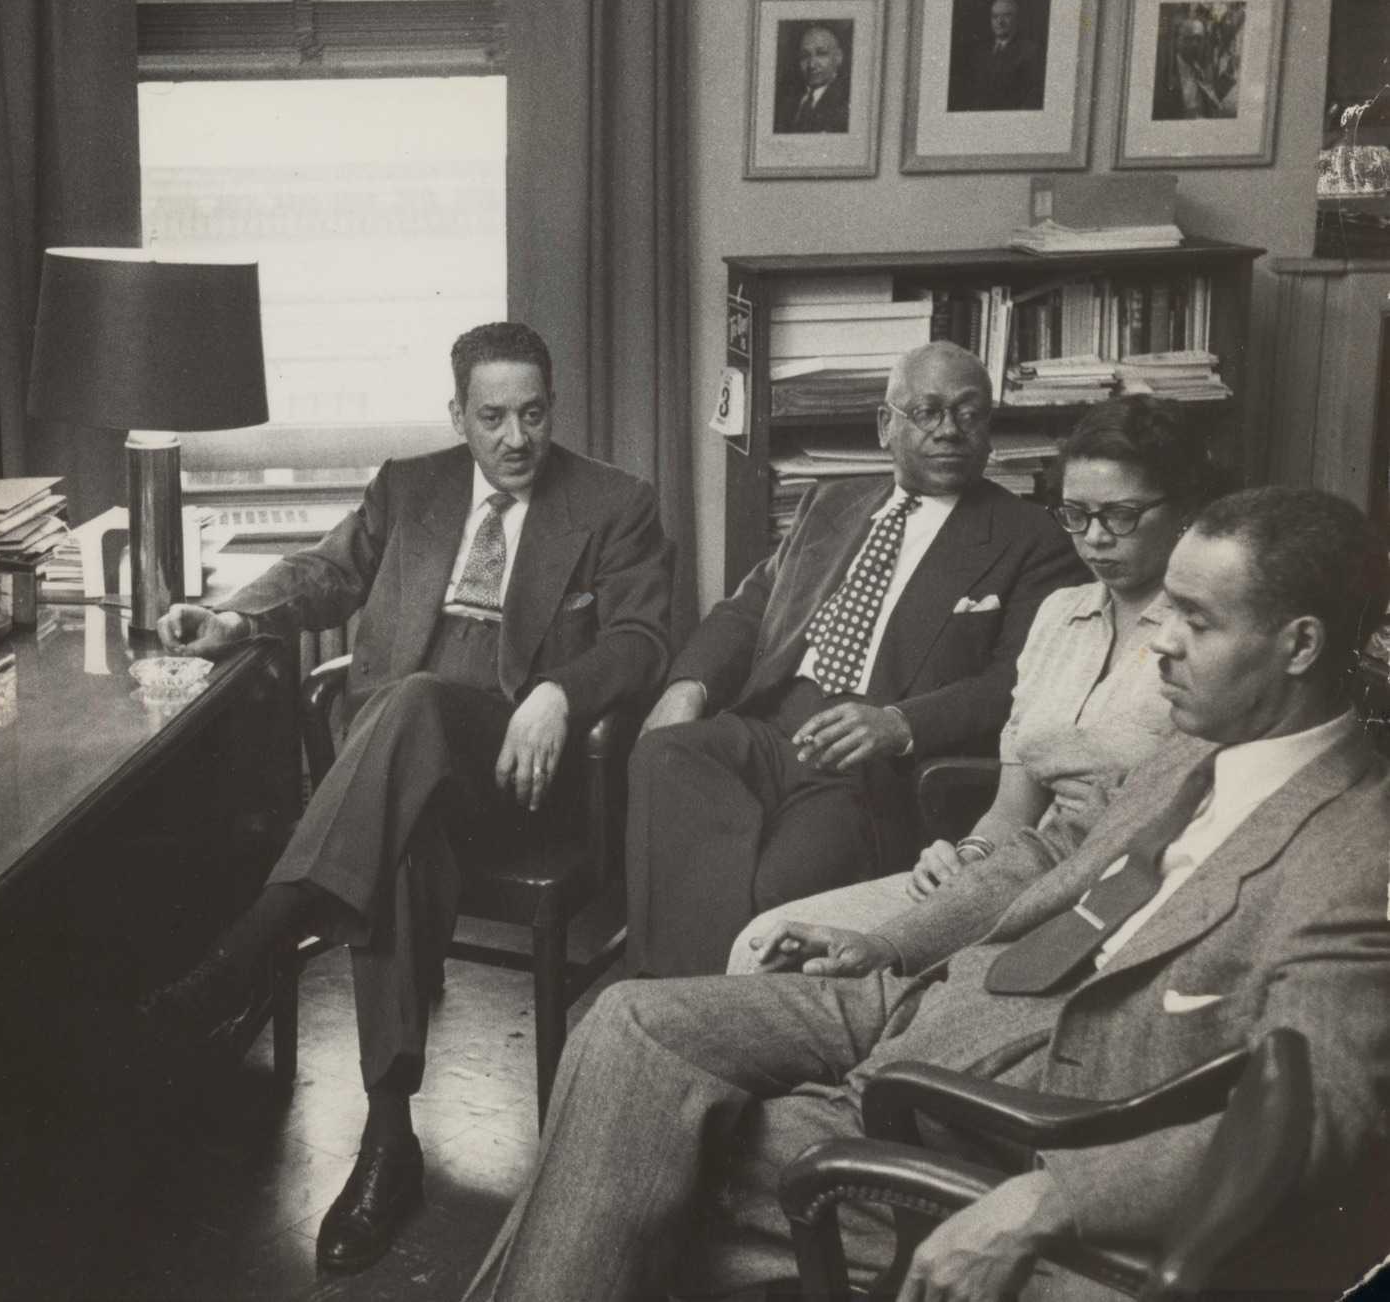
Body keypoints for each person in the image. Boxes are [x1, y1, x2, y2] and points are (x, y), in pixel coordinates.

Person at [469, 487, 1390, 1302]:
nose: (1162, 643)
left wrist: (1055, 1197)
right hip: (933, 1000)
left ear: (1299, 644)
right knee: (628, 1026)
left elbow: (1314, 1124)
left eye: (1195, 619)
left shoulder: (1357, 855)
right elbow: (1048, 850)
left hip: (1025, 1116)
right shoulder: (1191, 747)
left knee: (628, 1154)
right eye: (1165, 614)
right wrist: (893, 942)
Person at [148, 322, 674, 1274]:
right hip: (400, 779)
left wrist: (561, 692)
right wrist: (232, 614)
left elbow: (640, 638)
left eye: (533, 414)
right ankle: (387, 1142)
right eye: (491, 417)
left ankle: (253, 942)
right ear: (457, 416)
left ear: (553, 407)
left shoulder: (615, 504)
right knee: (398, 833)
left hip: (515, 771)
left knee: (413, 703)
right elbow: (325, 571)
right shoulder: (411, 486)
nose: (515, 439)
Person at [624, 341, 1081, 978]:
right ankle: (682, 1004)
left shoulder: (1029, 537)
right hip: (771, 725)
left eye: (970, 414)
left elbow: (1015, 682)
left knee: (774, 893)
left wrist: (900, 723)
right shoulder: (831, 503)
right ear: (885, 424)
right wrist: (689, 683)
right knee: (664, 753)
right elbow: (750, 606)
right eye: (928, 411)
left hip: (866, 766)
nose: (950, 430)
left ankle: (701, 1008)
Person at [730, 396, 1217, 973]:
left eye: (1121, 515)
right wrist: (966, 856)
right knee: (762, 946)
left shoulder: (1206, 635)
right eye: (1075, 515)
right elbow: (1013, 808)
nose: (1094, 539)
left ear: (1184, 512)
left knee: (854, 982)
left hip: (1115, 897)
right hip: (1011, 875)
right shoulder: (1060, 614)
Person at [949, 0, 1045, 113]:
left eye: (1006, 16)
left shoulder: (1029, 52)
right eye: (995, 17)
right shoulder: (980, 52)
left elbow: (1033, 97)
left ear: (1017, 19)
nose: (1000, 22)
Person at [1153, 13, 1238, 120]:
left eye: (1199, 39)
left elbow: (1211, 100)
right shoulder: (1165, 70)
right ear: (1177, 40)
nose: (1195, 44)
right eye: (1189, 38)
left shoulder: (1198, 67)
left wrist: (1228, 75)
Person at [777, 23, 850, 134]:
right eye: (805, 56)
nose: (811, 64)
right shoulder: (787, 102)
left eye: (821, 54)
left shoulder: (847, 102)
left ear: (838, 57)